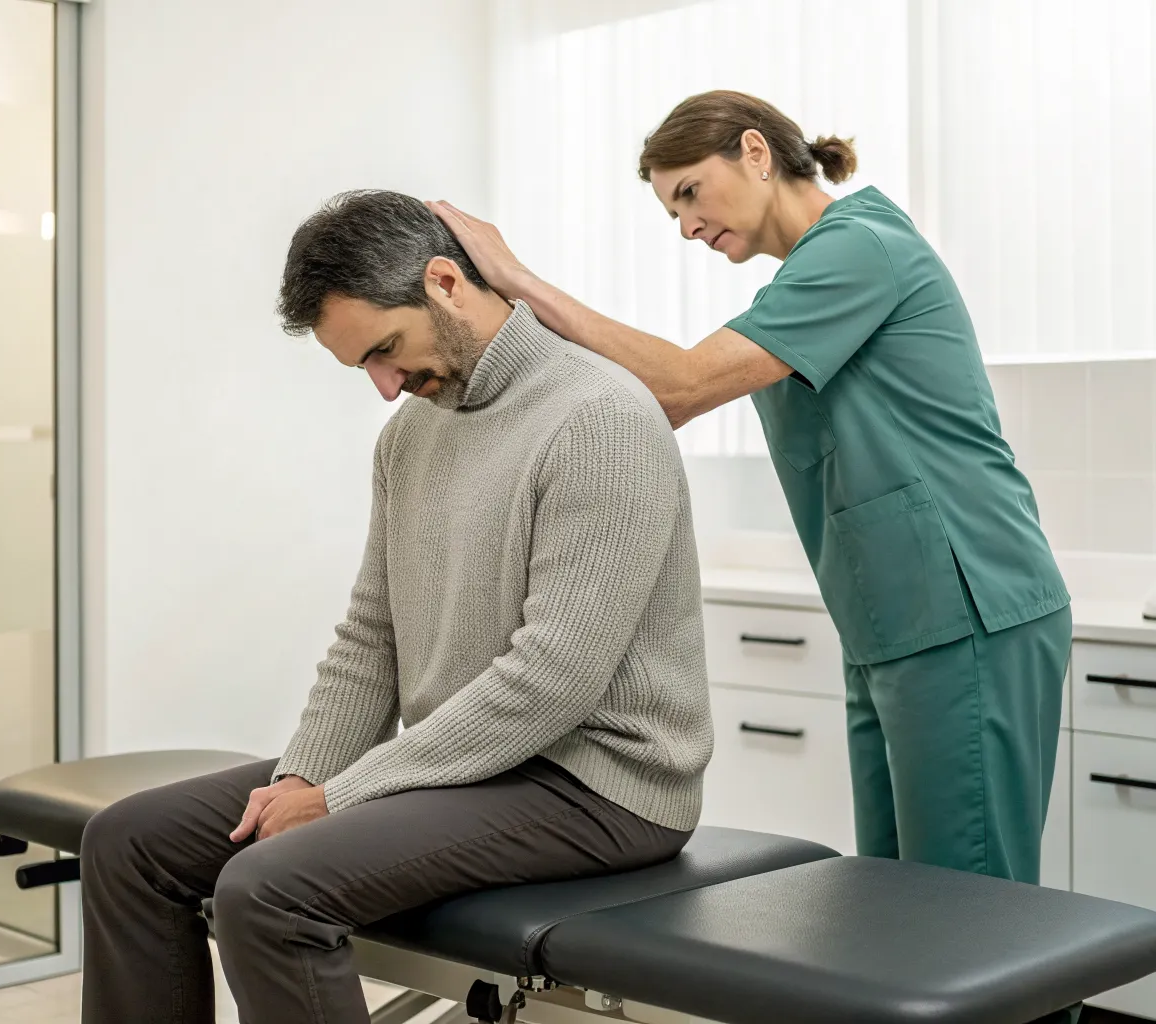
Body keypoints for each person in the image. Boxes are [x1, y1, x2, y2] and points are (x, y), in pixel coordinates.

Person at [78, 190, 712, 1024]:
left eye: (387, 350)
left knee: (270, 892)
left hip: (598, 787)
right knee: (129, 842)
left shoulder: (598, 418)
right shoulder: (412, 434)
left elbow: (550, 680)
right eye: (364, 369)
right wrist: (308, 770)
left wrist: (339, 799)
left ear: (445, 282)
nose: (386, 387)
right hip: (471, 769)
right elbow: (371, 634)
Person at [431, 90, 1072, 887]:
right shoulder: (806, 278)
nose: (688, 228)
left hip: (968, 605)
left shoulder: (859, 250)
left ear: (757, 153)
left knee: (974, 905)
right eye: (672, 214)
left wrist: (517, 278)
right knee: (906, 903)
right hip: (893, 620)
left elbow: (679, 388)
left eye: (690, 193)